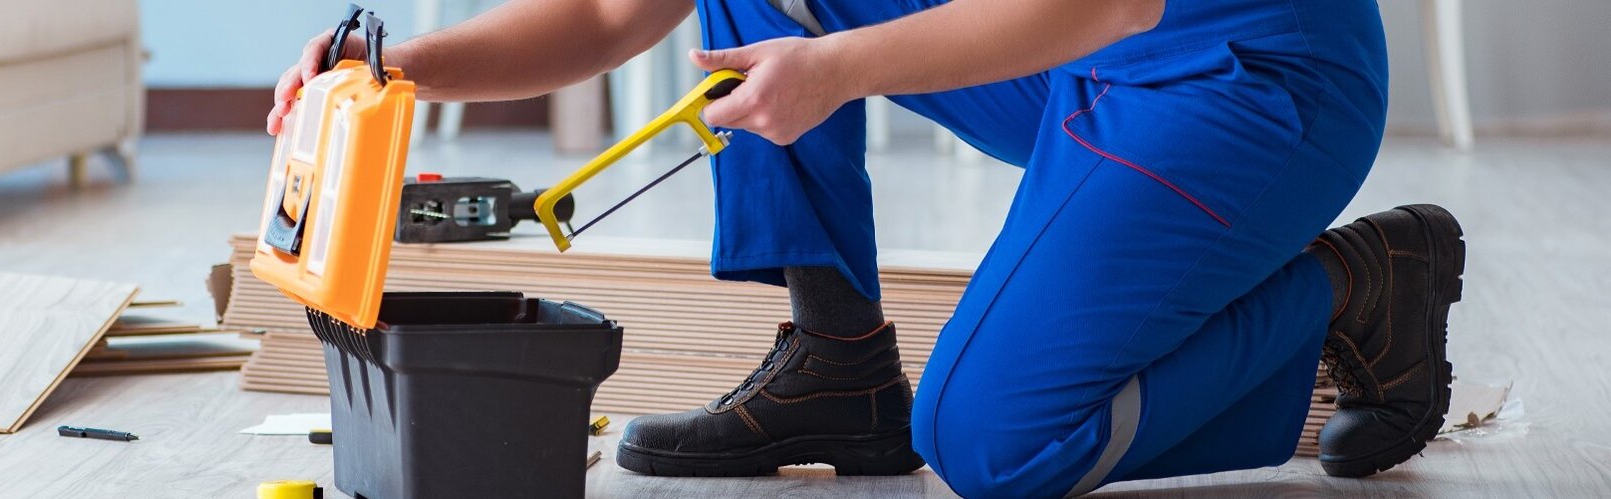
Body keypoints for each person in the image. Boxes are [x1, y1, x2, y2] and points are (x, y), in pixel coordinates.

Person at [268, 0, 1464, 496]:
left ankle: (1357, 289)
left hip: (1238, 79)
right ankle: (838, 362)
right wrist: (400, 69)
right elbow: (599, 15)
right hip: (1080, 61)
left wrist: (835, 70)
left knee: (992, 445)